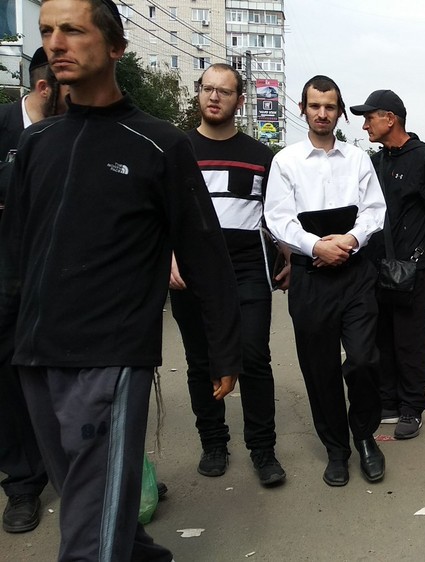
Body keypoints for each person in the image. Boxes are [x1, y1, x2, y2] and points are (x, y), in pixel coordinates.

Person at [0, 0, 242, 559]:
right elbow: (14, 253)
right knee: (89, 502)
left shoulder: (160, 144)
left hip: (111, 356)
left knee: (89, 536)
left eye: (73, 30)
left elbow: (204, 254)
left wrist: (224, 349)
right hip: (34, 352)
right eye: (48, 31)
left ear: (115, 47)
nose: (56, 43)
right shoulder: (37, 144)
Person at [264, 75, 386, 487]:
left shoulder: (357, 159)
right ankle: (336, 449)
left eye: (330, 107)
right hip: (310, 276)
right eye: (315, 105)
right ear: (302, 108)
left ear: (339, 112)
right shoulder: (286, 161)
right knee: (320, 369)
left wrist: (351, 240)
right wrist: (316, 246)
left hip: (354, 272)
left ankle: (365, 435)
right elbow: (278, 217)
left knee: (364, 360)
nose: (322, 113)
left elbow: (374, 210)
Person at [169, 63, 286, 486]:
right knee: (200, 361)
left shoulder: (261, 157)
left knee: (253, 356)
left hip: (247, 268)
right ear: (199, 93)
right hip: (193, 271)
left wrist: (287, 255)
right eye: (207, 89)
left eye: (224, 91)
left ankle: (263, 449)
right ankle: (214, 443)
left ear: (240, 100)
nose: (214, 96)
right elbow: (158, 213)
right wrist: (167, 255)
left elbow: (276, 216)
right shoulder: (175, 150)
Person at [350, 89, 425, 440]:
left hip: (414, 271)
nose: (365, 125)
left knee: (409, 339)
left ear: (390, 118)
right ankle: (388, 401)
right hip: (376, 268)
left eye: (369, 118)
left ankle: (412, 406)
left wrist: (423, 261)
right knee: (381, 337)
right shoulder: (375, 162)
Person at [0, 46, 66, 536]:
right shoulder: (4, 128)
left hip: (61, 281)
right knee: (9, 384)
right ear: (45, 88)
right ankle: (23, 484)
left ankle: (93, 471)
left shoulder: (74, 132)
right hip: (6, 281)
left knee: (72, 382)